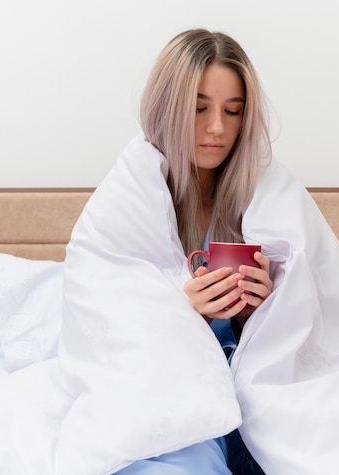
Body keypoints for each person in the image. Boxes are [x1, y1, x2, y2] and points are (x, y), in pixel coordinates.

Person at [114, 28, 273, 474]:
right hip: (169, 384)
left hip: (250, 386)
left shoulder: (263, 199)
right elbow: (110, 317)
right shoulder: (133, 197)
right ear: (168, 107)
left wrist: (252, 315)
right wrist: (188, 316)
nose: (217, 128)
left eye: (233, 111)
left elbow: (311, 321)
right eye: (199, 108)